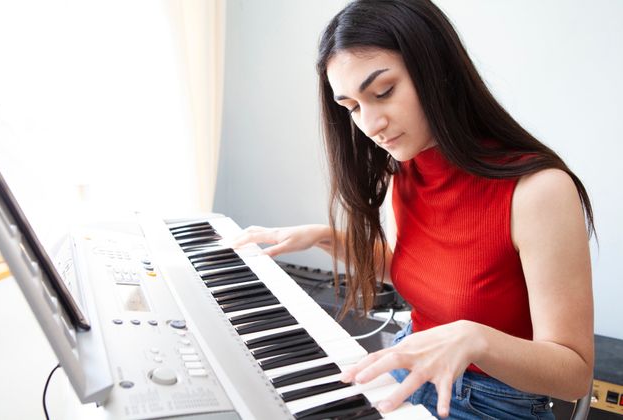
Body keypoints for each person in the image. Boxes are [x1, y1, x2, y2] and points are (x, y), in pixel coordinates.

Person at [232, 0, 594, 418]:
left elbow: (574, 374)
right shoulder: (405, 170)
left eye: (383, 92)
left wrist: (475, 339)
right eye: (351, 107)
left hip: (493, 403)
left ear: (437, 69)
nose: (369, 124)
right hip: (407, 366)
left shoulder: (539, 191)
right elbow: (415, 269)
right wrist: (325, 238)